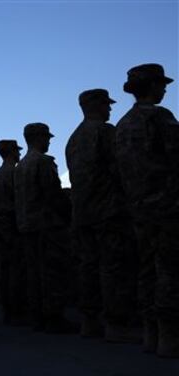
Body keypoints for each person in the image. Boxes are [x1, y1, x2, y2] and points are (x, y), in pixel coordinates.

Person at [65, 89, 139, 342]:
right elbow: (122, 170)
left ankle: (90, 321)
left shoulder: (73, 140)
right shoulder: (106, 132)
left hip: (83, 214)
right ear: (95, 105)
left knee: (88, 267)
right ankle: (116, 324)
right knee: (114, 267)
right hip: (109, 211)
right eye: (106, 104)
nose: (110, 109)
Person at [116, 63, 179, 358]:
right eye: (161, 83)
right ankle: (169, 335)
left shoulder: (122, 125)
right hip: (167, 206)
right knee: (169, 269)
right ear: (151, 86)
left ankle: (150, 333)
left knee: (145, 269)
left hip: (137, 208)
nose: (165, 88)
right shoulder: (160, 117)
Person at [14, 123, 76, 334]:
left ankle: (37, 316)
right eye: (47, 137)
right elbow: (53, 195)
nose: (49, 141)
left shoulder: (20, 166)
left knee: (33, 273)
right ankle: (53, 317)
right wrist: (67, 215)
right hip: (46, 225)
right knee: (51, 272)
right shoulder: (42, 162)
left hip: (27, 226)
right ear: (38, 138)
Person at [0, 140, 25, 324]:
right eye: (17, 151)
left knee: (6, 269)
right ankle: (17, 311)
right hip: (13, 225)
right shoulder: (14, 173)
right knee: (16, 269)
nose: (19, 154)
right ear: (11, 152)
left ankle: (9, 310)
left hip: (2, 227)